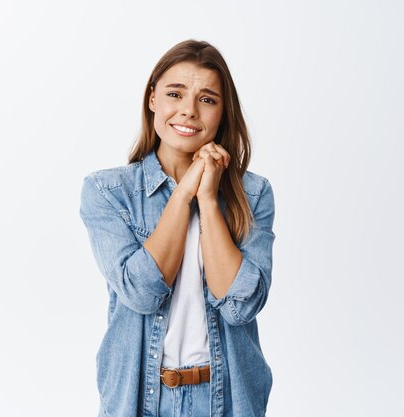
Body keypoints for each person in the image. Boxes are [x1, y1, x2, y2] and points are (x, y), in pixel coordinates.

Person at [79, 39, 276, 417]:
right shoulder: (108, 192)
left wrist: (207, 197)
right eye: (175, 93)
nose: (188, 111)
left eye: (207, 99)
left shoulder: (253, 194)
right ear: (153, 99)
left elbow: (240, 305)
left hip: (228, 399)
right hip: (139, 400)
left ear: (222, 112)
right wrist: (184, 190)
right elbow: (140, 292)